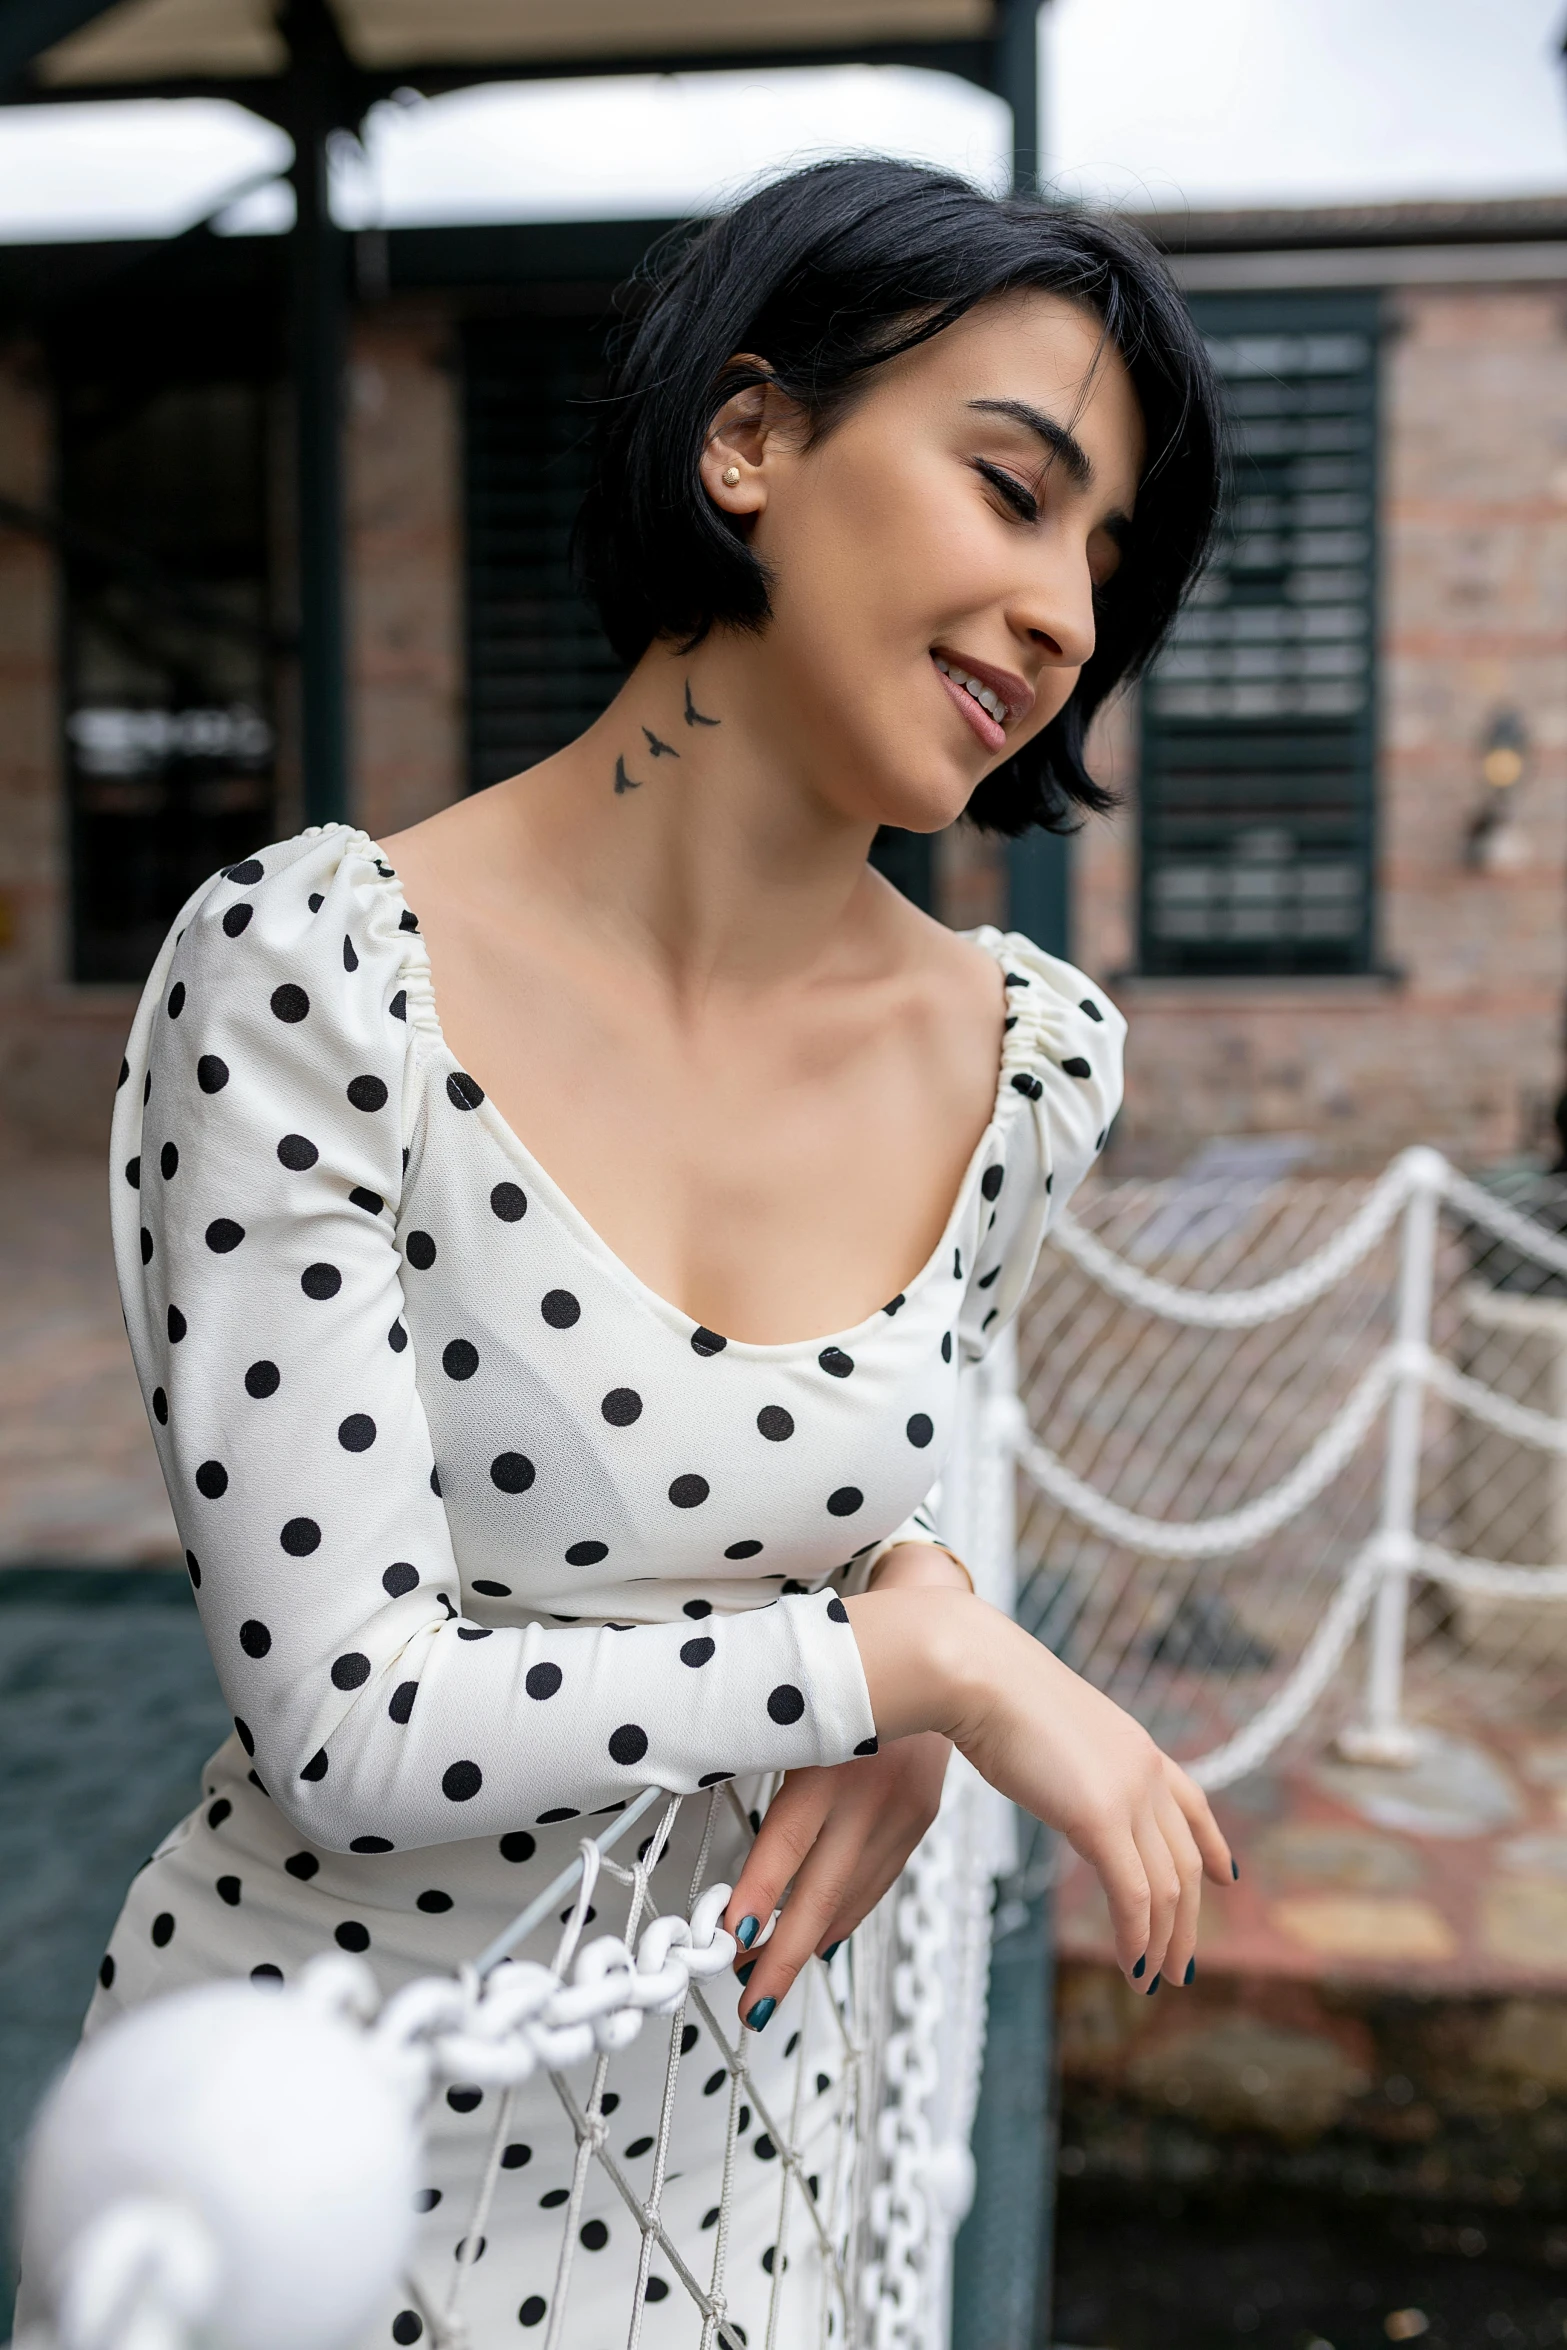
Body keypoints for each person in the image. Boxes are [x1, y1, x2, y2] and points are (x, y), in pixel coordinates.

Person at [37, 158, 1235, 2347]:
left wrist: (918, 1586)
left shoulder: (1025, 1067)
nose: (1065, 607)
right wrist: (924, 1671)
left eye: (1103, 555)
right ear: (751, 439)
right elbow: (353, 1713)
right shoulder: (316, 977)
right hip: (300, 2170)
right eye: (1012, 485)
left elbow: (843, 1506)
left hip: (741, 2144)